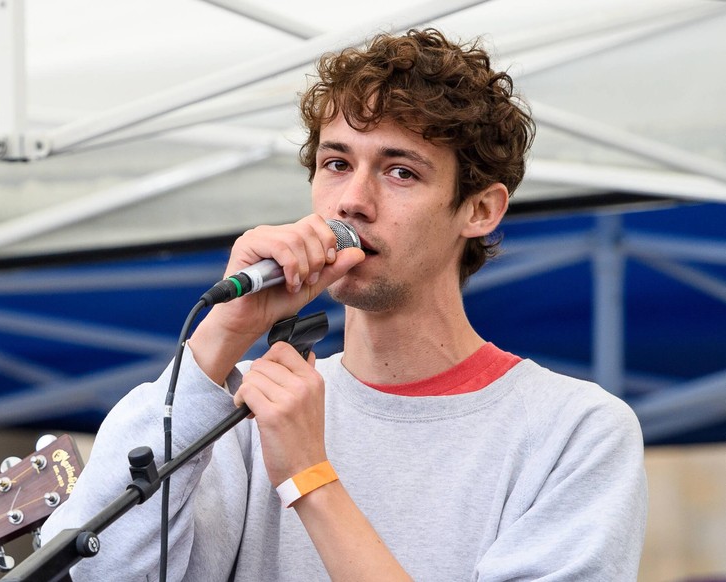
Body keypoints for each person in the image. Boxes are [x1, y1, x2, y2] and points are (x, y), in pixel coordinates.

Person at [41, 28, 647, 580]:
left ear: (480, 210)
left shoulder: (576, 431)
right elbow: (97, 571)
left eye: (400, 172)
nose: (352, 201)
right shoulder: (245, 402)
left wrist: (310, 478)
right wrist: (218, 340)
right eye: (336, 164)